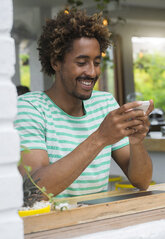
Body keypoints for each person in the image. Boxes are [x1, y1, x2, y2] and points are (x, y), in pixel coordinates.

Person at [14, 8, 154, 199]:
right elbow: (34, 192)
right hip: (48, 225)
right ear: (56, 62)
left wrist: (136, 142)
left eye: (96, 63)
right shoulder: (29, 108)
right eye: (82, 62)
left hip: (94, 220)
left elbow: (142, 181)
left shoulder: (104, 104)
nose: (92, 72)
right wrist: (101, 137)